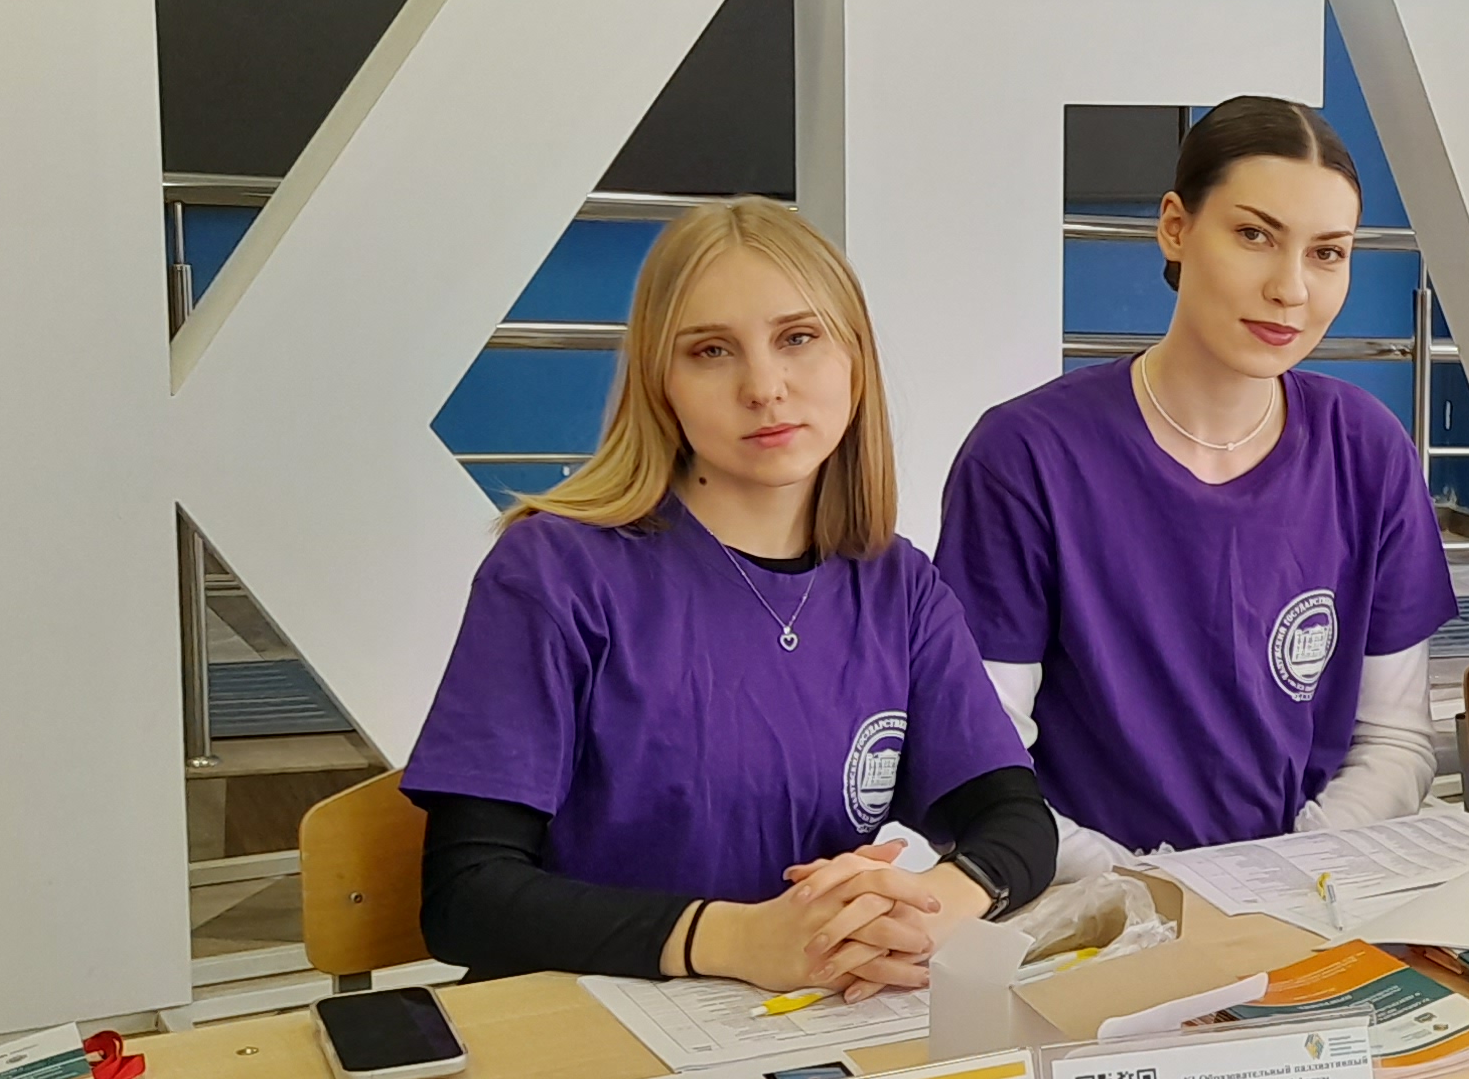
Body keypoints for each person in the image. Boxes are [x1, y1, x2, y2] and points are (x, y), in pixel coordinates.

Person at [402, 198, 1048, 991]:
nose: (765, 387)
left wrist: (925, 911)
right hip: (581, 1022)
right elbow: (466, 896)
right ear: (660, 384)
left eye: (798, 338)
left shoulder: (898, 585)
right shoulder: (553, 571)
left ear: (855, 358)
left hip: (794, 1020)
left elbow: (1016, 823)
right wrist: (735, 939)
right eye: (711, 351)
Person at [938, 97, 1458, 854]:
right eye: (1255, 235)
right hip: (1092, 898)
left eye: (1327, 253)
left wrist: (1288, 869)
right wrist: (1139, 891)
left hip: (1306, 890)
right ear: (1176, 228)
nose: (1291, 289)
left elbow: (1393, 741)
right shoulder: (1026, 456)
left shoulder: (1368, 448)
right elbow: (985, 766)